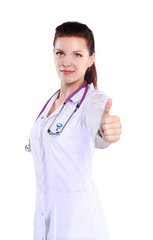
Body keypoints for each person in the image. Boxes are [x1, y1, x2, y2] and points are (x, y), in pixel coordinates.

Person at [27, 21, 122, 240]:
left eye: (77, 55)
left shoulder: (93, 100)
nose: (66, 62)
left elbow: (98, 123)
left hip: (78, 224)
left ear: (91, 59)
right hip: (44, 217)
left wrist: (105, 130)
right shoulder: (51, 103)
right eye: (60, 53)